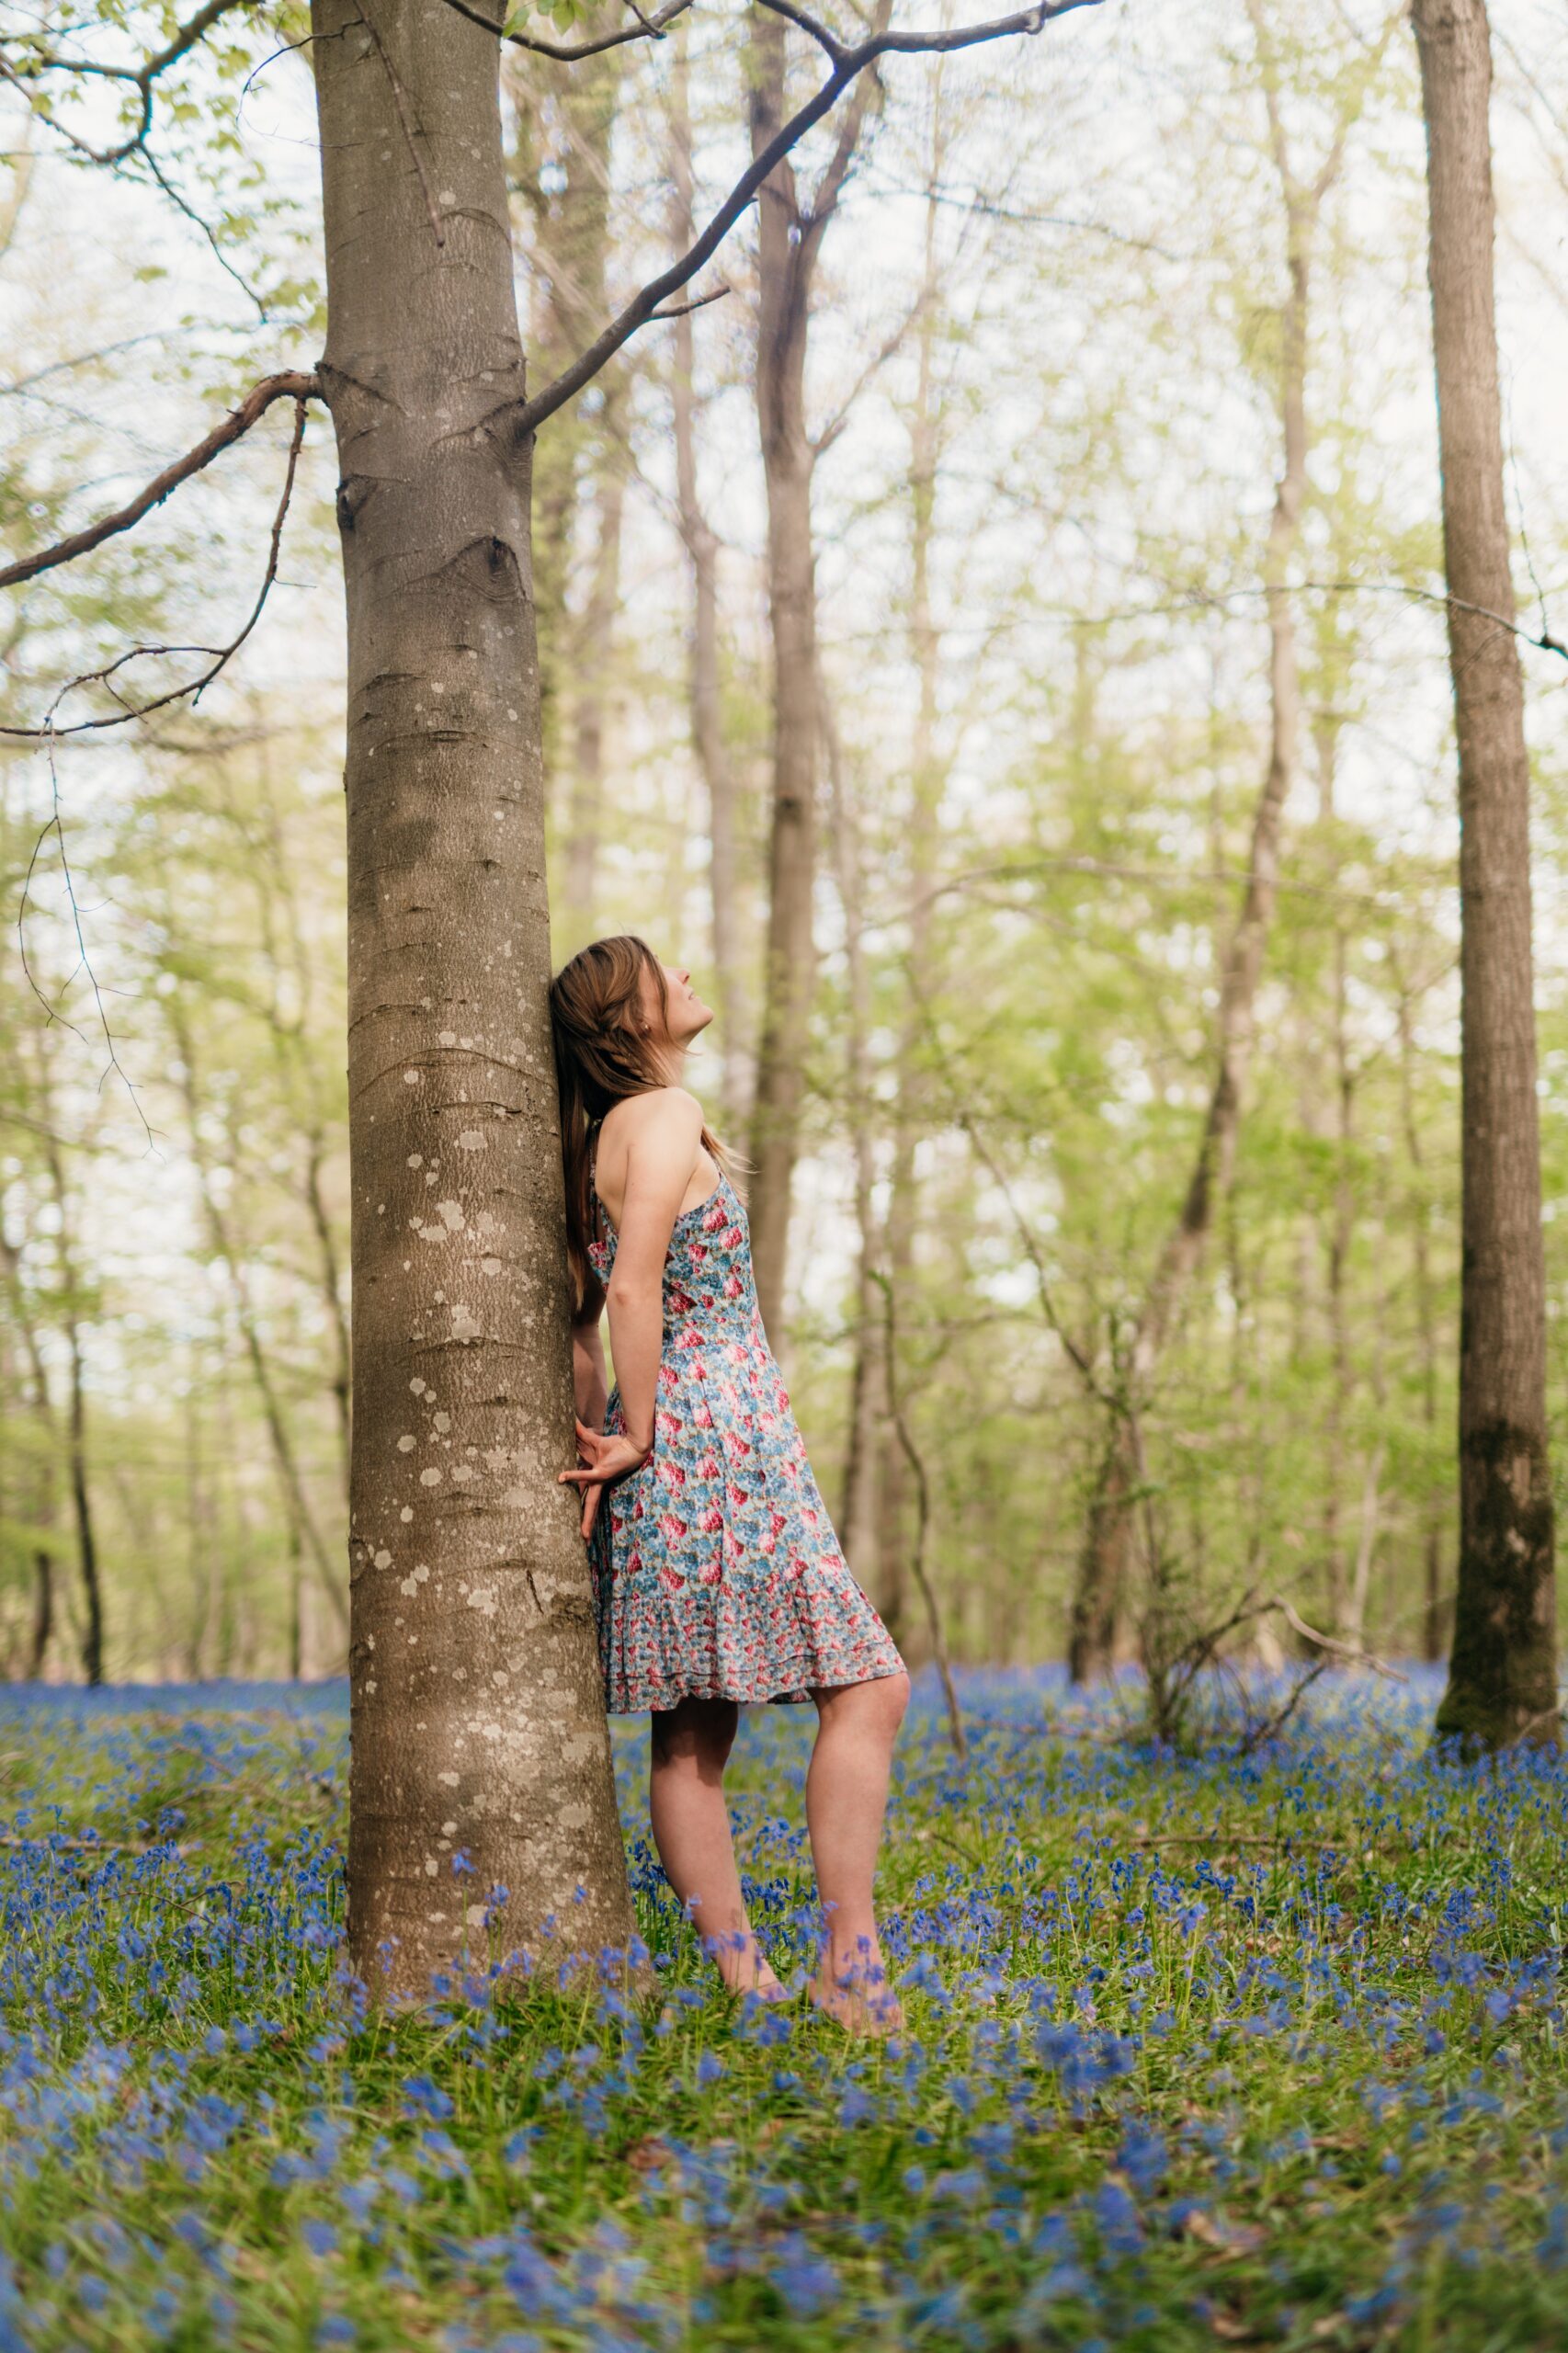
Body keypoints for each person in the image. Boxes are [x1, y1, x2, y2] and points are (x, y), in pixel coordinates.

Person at [549, 935, 910, 2034]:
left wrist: (609, 1428)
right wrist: (642, 1432)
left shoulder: (595, 1142)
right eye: (667, 970)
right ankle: (846, 1969)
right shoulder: (658, 1116)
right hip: (707, 1441)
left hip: (696, 1436)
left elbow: (580, 1314)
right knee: (869, 1685)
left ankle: (748, 1982)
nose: (691, 973)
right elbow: (631, 1287)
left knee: (692, 1737)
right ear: (629, 1016)